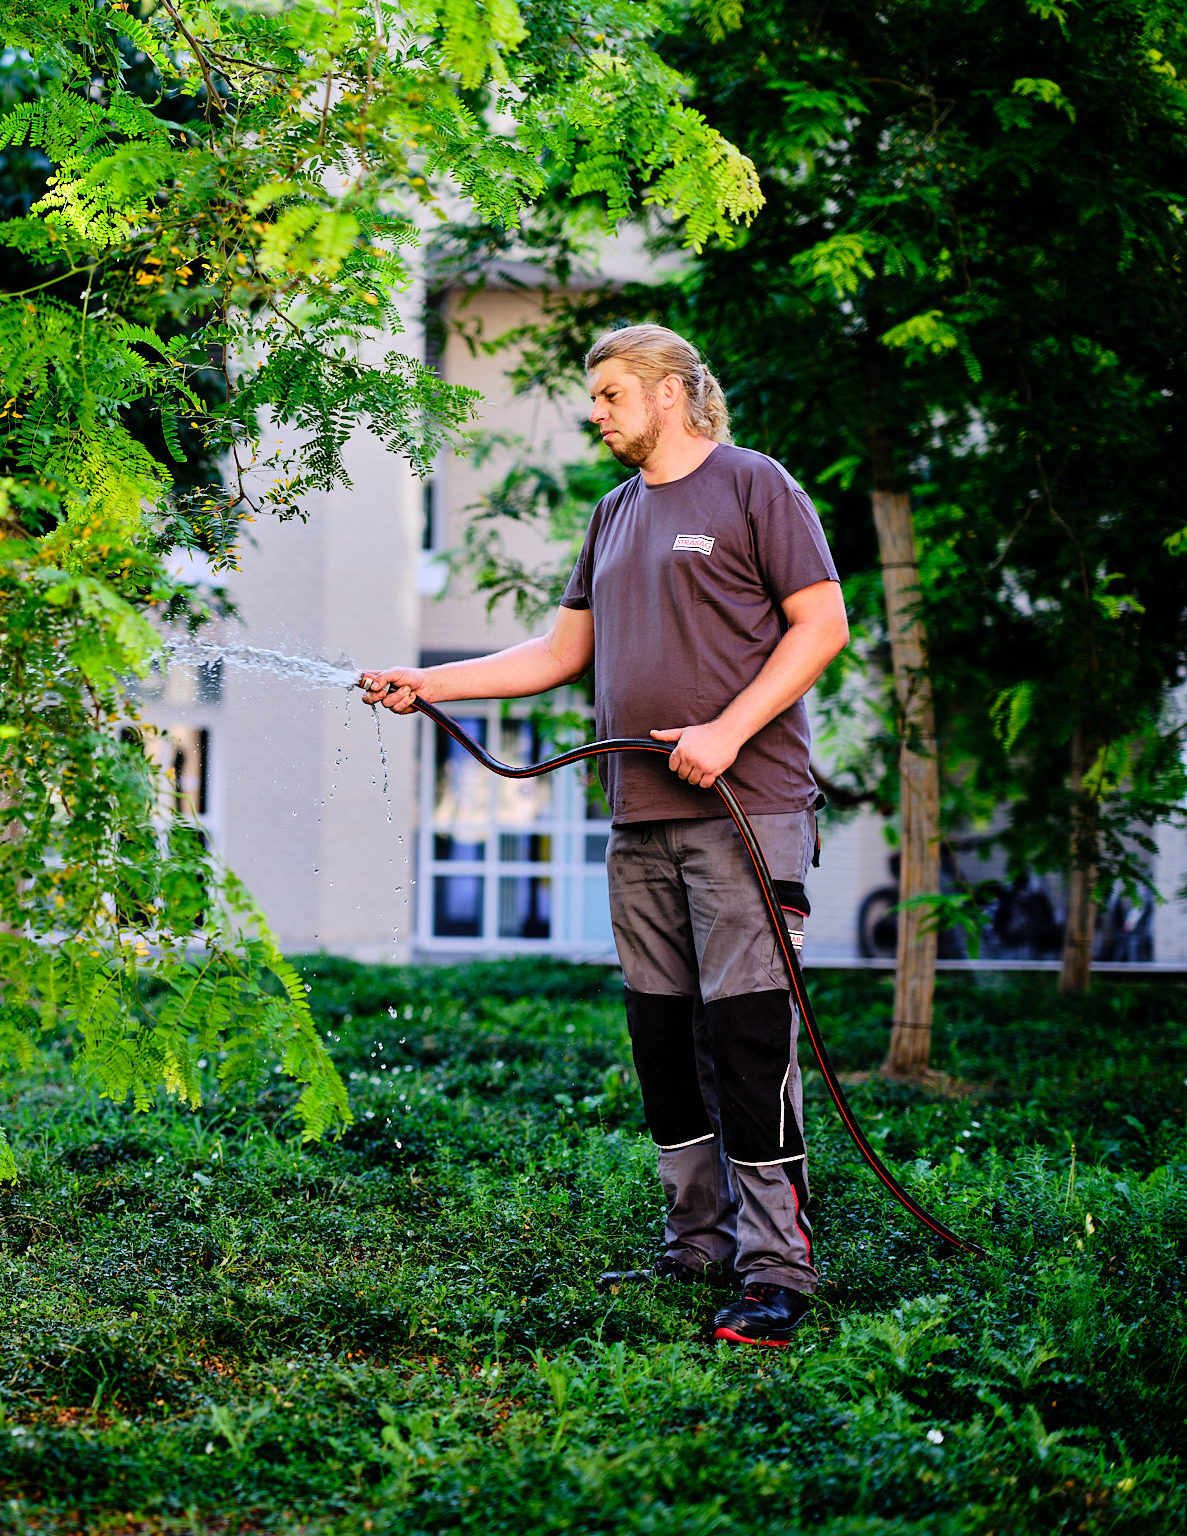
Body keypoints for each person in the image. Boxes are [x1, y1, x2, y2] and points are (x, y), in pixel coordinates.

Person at [362, 324, 850, 1347]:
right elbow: (556, 651)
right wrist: (429, 680)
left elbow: (820, 625)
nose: (595, 410)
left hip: (744, 814)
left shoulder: (754, 486)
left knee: (748, 1040)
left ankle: (776, 1269)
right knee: (663, 1039)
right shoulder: (613, 513)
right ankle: (696, 1242)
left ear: (669, 393)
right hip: (639, 819)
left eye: (608, 392)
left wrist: (723, 731)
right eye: (593, 395)